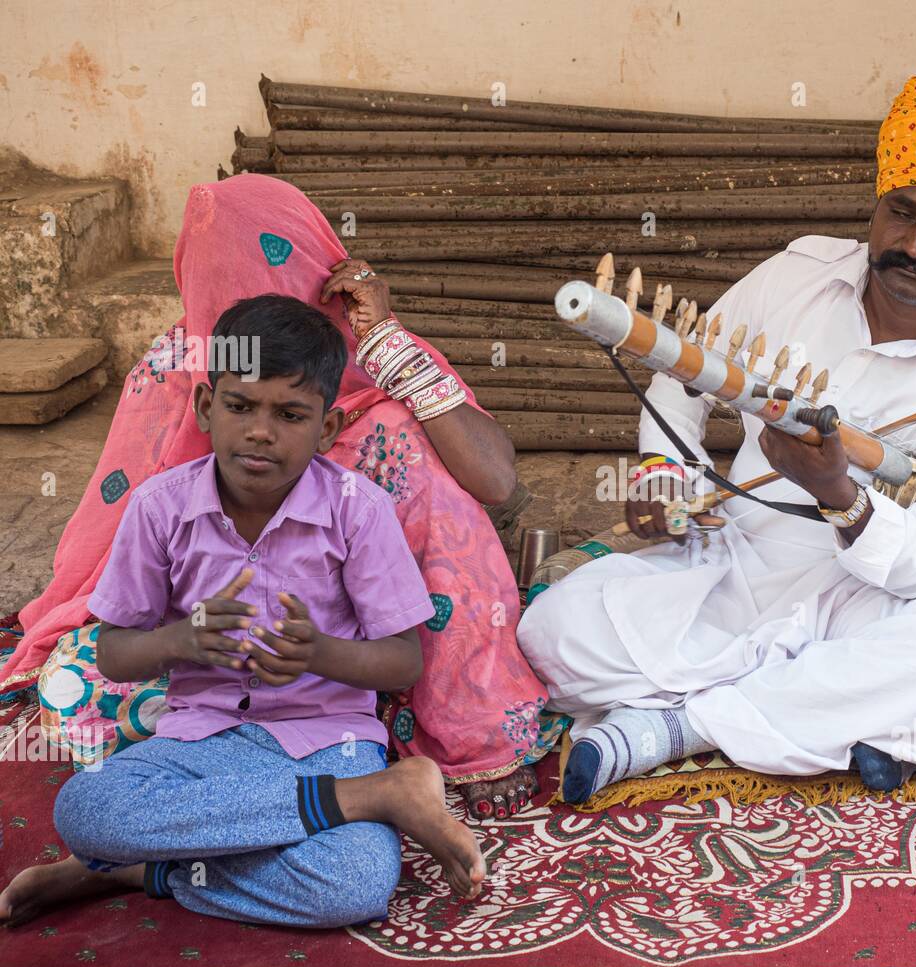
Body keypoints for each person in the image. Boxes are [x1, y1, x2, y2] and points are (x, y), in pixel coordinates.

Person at [517, 64, 916, 801]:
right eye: (904, 212)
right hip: (731, 560)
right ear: (877, 205)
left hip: (869, 597)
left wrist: (842, 494)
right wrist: (663, 477)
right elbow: (683, 376)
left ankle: (669, 731)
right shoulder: (796, 274)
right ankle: (845, 721)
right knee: (554, 631)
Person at [0, 174, 555, 818]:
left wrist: (389, 349)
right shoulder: (177, 363)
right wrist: (178, 636)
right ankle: (332, 801)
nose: (259, 431)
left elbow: (494, 482)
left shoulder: (373, 364)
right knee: (74, 694)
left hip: (353, 662)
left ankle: (423, 730)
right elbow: (125, 533)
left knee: (401, 444)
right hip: (205, 661)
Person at [0, 293, 485, 928]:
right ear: (206, 407)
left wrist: (319, 654)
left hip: (328, 742)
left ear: (327, 429)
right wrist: (183, 641)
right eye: (239, 406)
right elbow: (115, 654)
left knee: (352, 886)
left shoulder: (357, 509)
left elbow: (402, 663)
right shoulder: (159, 507)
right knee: (85, 810)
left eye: (290, 414)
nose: (260, 431)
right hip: (201, 740)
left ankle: (136, 868)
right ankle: (369, 798)